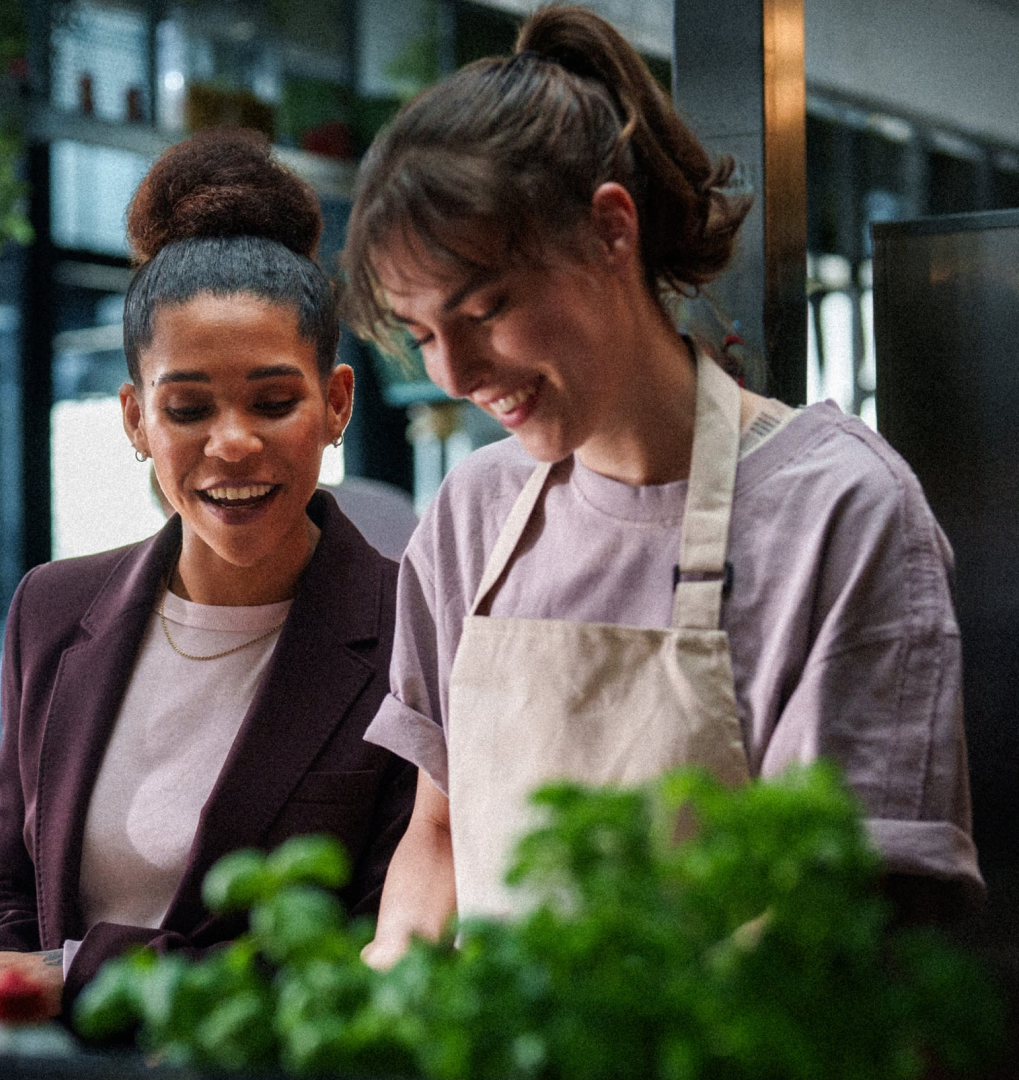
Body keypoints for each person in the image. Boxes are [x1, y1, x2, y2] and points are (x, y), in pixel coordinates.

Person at [341, 6, 983, 965]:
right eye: (424, 333)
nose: (454, 375)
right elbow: (437, 837)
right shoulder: (471, 518)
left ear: (610, 229)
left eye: (487, 309)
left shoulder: (840, 512)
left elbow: (854, 915)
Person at [0, 129, 417, 1035]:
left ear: (336, 404)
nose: (233, 441)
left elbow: (373, 945)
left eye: (273, 400)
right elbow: (9, 888)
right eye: (187, 408)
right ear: (134, 418)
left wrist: (77, 976)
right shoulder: (53, 610)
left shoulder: (415, 622)